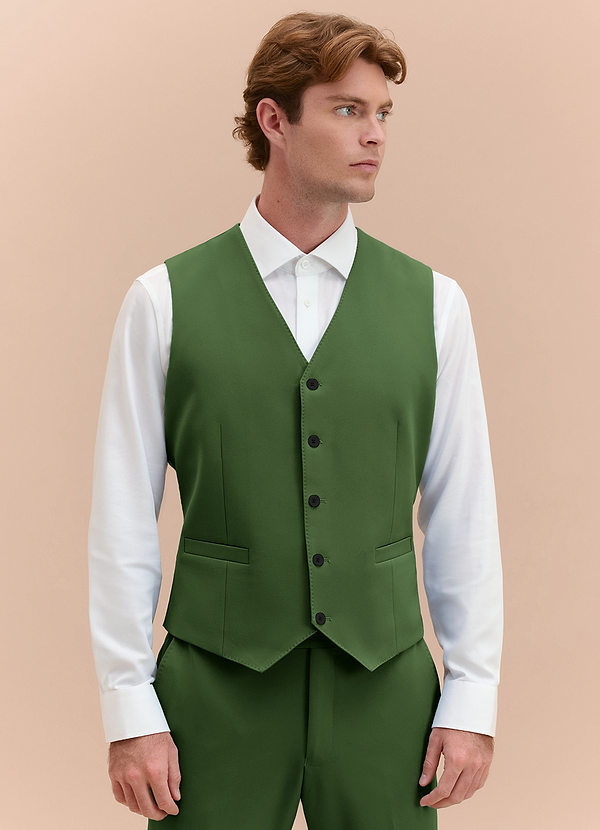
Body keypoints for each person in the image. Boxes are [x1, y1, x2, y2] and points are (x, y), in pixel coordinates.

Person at [87, 11, 504, 829]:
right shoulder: (162, 302)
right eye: (347, 110)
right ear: (274, 120)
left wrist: (472, 696)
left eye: (382, 113)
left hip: (385, 687)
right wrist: (129, 709)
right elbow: (122, 519)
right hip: (216, 688)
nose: (374, 134)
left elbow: (463, 511)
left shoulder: (435, 306)